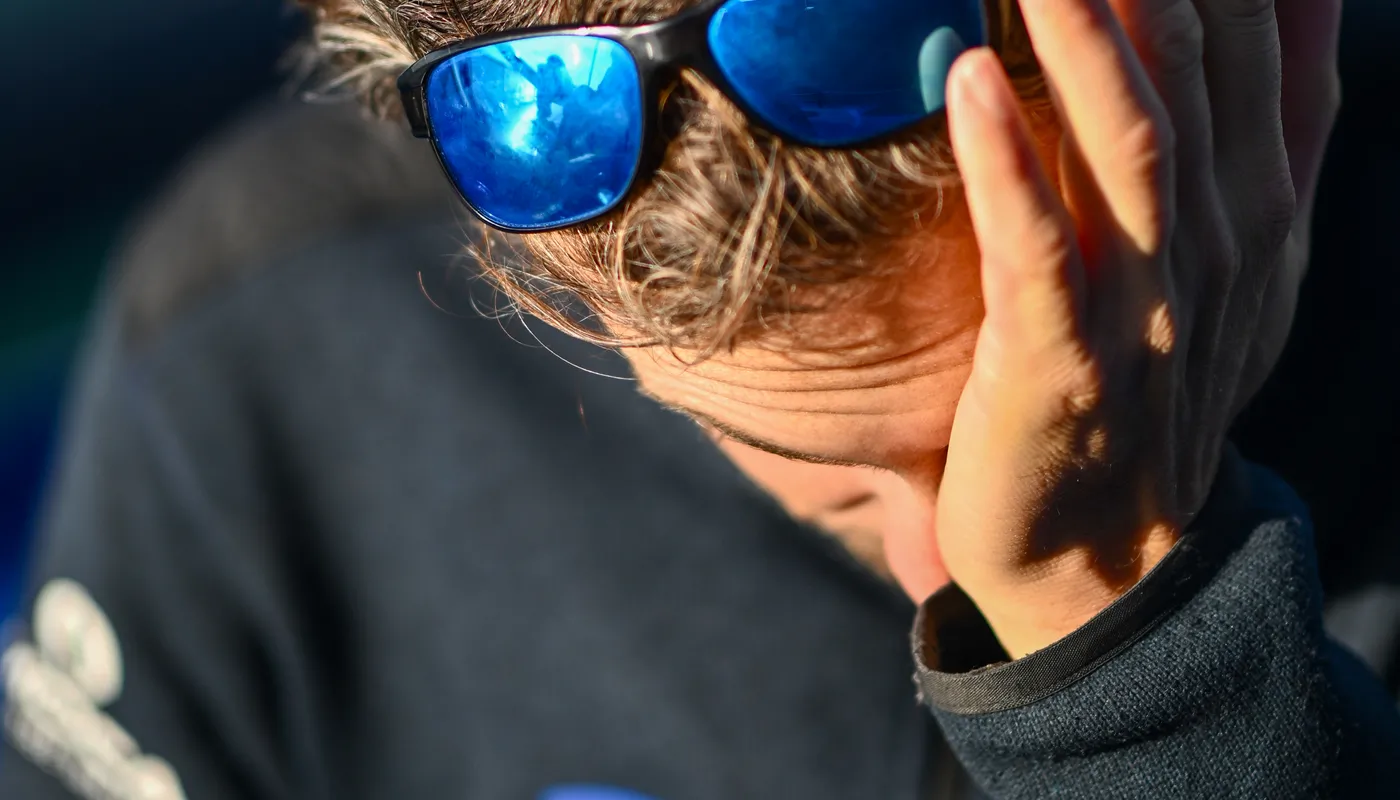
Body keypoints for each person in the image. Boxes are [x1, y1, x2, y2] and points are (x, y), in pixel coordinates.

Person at [3, 0, 1396, 798]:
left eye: (1098, 394)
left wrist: (1136, 648)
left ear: (1273, 72)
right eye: (833, 463)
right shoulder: (268, 335)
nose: (956, 573)